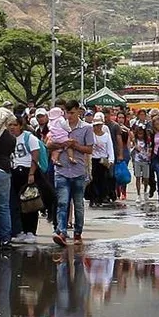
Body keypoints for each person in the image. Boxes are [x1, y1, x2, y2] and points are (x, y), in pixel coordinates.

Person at [51, 100, 94, 247]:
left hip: (78, 171)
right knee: (62, 202)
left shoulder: (87, 128)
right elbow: (48, 144)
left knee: (78, 204)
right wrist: (62, 144)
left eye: (72, 113)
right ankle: (61, 232)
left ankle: (77, 232)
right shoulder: (59, 125)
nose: (69, 116)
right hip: (61, 170)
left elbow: (89, 149)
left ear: (79, 111)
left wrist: (75, 145)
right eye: (67, 113)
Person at [8, 116, 40, 245]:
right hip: (13, 171)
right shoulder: (8, 139)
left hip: (26, 171)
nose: (12, 127)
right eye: (10, 125)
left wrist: (31, 173)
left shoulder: (29, 138)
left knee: (30, 203)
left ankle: (30, 231)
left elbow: (35, 155)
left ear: (21, 125)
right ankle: (20, 230)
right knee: (16, 204)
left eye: (15, 125)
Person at [88, 113, 115, 207]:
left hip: (103, 160)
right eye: (95, 125)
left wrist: (111, 159)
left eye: (99, 125)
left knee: (102, 180)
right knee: (93, 180)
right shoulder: (90, 135)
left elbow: (110, 148)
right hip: (93, 159)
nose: (97, 127)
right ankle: (93, 198)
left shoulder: (106, 136)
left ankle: (100, 197)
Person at [130, 123, 152, 202]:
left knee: (146, 178)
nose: (140, 135)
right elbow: (131, 148)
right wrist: (134, 147)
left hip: (146, 161)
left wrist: (149, 153)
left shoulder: (147, 140)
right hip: (137, 161)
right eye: (139, 134)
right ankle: (138, 194)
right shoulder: (135, 140)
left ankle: (145, 190)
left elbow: (150, 148)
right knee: (138, 177)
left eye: (141, 133)